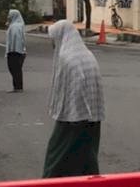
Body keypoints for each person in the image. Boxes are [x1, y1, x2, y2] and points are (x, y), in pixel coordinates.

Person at [43, 20, 105, 177]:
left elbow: (67, 92)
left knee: (57, 152)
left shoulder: (67, 58)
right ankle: (89, 184)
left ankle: (49, 185)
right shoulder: (86, 54)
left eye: (53, 39)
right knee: (86, 153)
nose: (52, 43)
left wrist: (71, 115)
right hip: (93, 115)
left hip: (73, 117)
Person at [5, 8, 27, 92]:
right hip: (17, 50)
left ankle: (18, 87)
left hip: (15, 51)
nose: (8, 17)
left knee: (15, 68)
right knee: (15, 68)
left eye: (10, 15)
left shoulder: (15, 26)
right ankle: (17, 86)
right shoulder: (16, 25)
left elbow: (16, 40)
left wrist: (13, 49)